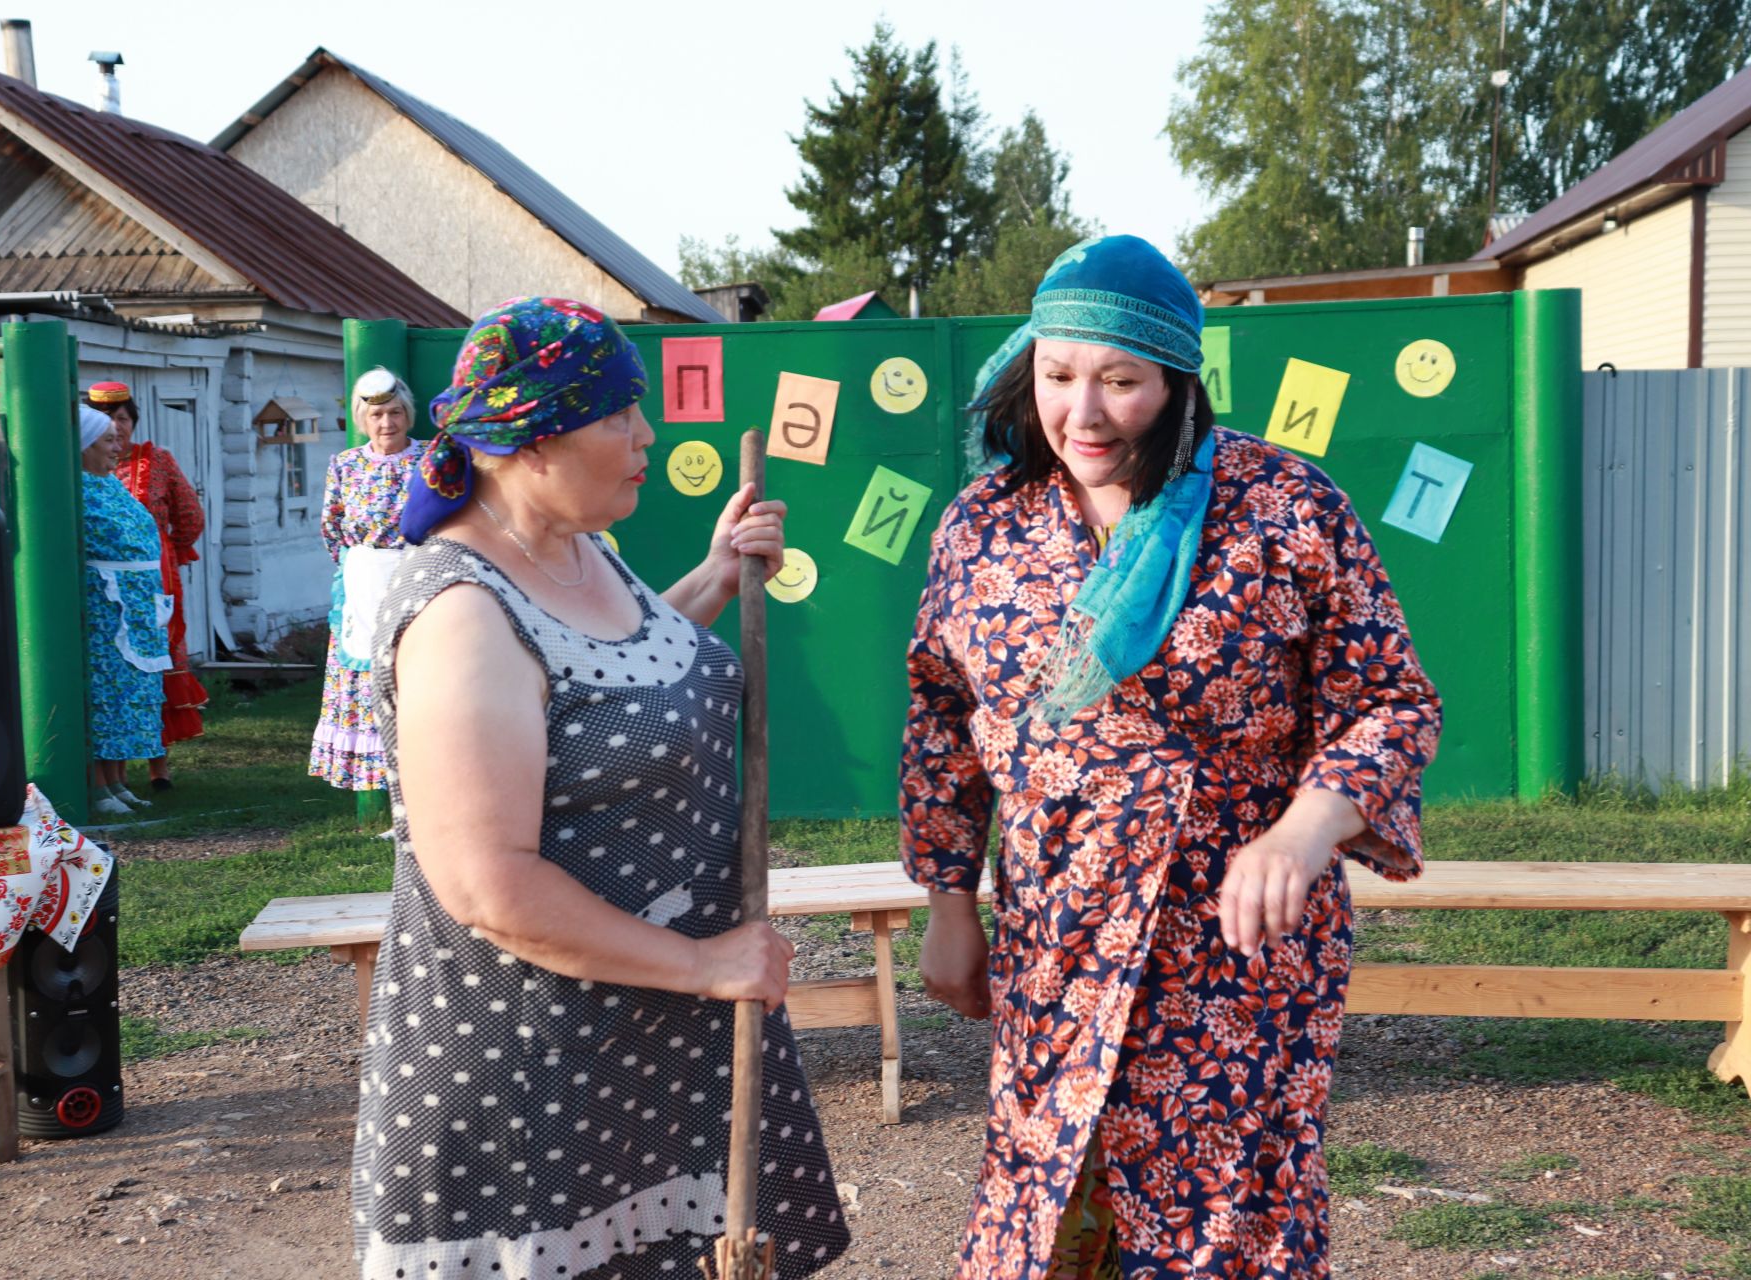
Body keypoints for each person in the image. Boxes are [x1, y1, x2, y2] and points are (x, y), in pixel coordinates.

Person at [900, 237, 1442, 1279]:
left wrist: (1306, 826)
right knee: (1050, 1198)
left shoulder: (1283, 506)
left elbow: (1390, 700)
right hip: (1059, 930)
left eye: (1121, 382)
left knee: (1226, 1216)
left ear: (1176, 381)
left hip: (1234, 945)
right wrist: (950, 898)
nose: (1084, 415)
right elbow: (942, 713)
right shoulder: (984, 523)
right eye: (1059, 377)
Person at [350, 297, 849, 1280]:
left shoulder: (579, 550)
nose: (646, 435)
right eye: (618, 414)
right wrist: (704, 962)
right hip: (539, 1084)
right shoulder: (460, 614)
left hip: (643, 1048)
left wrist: (710, 576)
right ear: (532, 440)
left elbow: (602, 686)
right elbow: (490, 886)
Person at [85, 381, 209, 789]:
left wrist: (170, 550)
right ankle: (111, 775)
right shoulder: (90, 473)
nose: (115, 430)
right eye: (106, 423)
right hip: (107, 583)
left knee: (159, 659)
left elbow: (189, 513)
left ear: (133, 422)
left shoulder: (156, 460)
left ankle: (159, 765)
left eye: (121, 419)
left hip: (157, 573)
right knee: (118, 668)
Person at [309, 368, 419, 800]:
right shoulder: (345, 465)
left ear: (407, 414)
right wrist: (362, 571)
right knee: (370, 688)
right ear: (362, 419)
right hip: (362, 591)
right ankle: (387, 799)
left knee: (413, 686)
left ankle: (418, 797)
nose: (386, 423)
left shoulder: (429, 460)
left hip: (415, 584)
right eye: (377, 415)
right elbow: (331, 528)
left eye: (394, 413)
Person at [78, 405, 171, 818]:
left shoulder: (110, 484)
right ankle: (97, 786)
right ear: (83, 446)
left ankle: (117, 781)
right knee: (104, 697)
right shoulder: (76, 489)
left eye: (119, 439)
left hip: (137, 606)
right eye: (108, 441)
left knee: (128, 697)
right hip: (106, 609)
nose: (118, 447)